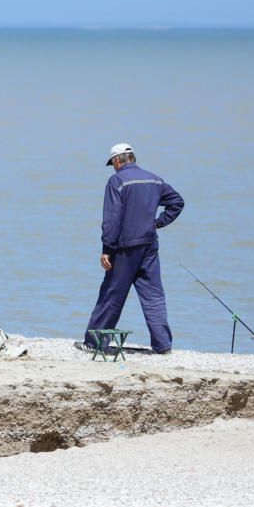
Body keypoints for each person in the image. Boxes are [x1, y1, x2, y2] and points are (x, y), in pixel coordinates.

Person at [80, 143, 184, 355]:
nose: (113, 168)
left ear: (118, 160)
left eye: (113, 164)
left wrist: (107, 249)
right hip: (149, 245)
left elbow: (111, 219)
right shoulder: (154, 179)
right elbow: (177, 202)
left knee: (112, 293)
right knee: (154, 295)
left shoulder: (116, 181)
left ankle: (94, 343)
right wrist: (158, 223)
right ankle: (163, 346)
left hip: (124, 248)